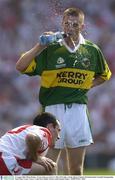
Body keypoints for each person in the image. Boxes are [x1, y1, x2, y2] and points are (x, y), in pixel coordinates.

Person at [16, 7, 112, 175]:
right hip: (53, 112)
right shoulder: (50, 48)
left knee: (76, 169)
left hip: (78, 111)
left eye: (75, 24)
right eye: (67, 24)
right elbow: (20, 66)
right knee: (50, 167)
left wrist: (88, 85)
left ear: (82, 27)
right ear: (62, 24)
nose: (70, 28)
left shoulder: (92, 50)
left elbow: (105, 75)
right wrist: (39, 45)